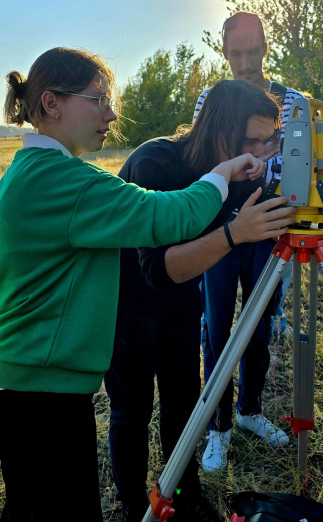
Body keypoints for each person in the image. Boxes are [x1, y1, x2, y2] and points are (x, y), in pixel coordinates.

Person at [0, 48, 268, 522]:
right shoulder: (70, 182)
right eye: (99, 100)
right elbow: (172, 215)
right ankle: (132, 501)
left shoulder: (27, 172)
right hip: (42, 390)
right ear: (51, 103)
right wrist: (224, 176)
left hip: (30, 379)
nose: (112, 113)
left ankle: (179, 496)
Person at [104, 79, 296, 522]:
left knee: (183, 399)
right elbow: (158, 268)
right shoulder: (156, 162)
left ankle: (184, 492)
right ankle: (134, 505)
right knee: (132, 408)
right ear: (219, 130)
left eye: (271, 140)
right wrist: (235, 233)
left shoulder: (245, 170)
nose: (263, 152)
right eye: (253, 140)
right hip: (129, 300)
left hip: (183, 298)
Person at [195, 12, 304, 472]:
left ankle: (249, 411)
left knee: (260, 321)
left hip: (271, 227)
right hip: (220, 227)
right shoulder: (212, 98)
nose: (244, 62)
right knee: (217, 325)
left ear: (265, 45)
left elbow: (304, 162)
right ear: (224, 52)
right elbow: (203, 155)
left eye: (252, 51)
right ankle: (217, 428)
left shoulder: (293, 99)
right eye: (235, 53)